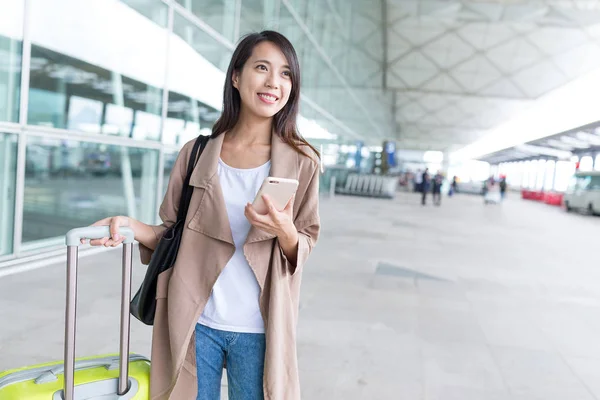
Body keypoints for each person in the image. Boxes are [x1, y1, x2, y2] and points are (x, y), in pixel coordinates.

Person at [82, 31, 321, 400]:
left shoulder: (303, 161)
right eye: (262, 68)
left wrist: (286, 231)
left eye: (286, 73)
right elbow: (174, 233)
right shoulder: (196, 153)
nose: (274, 82)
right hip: (195, 324)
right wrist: (131, 226)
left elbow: (305, 241)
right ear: (237, 77)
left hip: (260, 328)